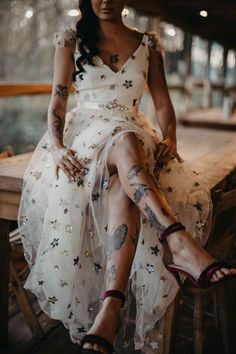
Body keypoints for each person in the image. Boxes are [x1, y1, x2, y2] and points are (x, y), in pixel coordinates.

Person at [18, 1, 236, 353]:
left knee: (123, 178)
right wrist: (57, 147)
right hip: (87, 137)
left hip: (134, 137)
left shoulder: (148, 43)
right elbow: (58, 101)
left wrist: (171, 139)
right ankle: (176, 241)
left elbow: (162, 103)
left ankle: (111, 306)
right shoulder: (71, 39)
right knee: (124, 143)